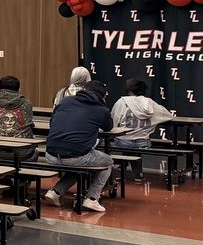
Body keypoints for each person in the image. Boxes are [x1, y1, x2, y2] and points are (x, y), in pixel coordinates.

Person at [44, 80, 113, 213]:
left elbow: (52, 122)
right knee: (108, 162)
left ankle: (55, 192)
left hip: (50, 154)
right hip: (76, 157)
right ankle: (92, 198)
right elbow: (108, 127)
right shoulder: (101, 109)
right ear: (103, 96)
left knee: (78, 165)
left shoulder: (65, 101)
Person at [111, 78, 174, 182]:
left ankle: (123, 169)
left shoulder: (121, 101)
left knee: (125, 145)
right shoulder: (149, 102)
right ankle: (137, 174)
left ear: (129, 91)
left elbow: (114, 119)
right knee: (134, 150)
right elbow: (168, 116)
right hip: (143, 143)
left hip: (123, 142)